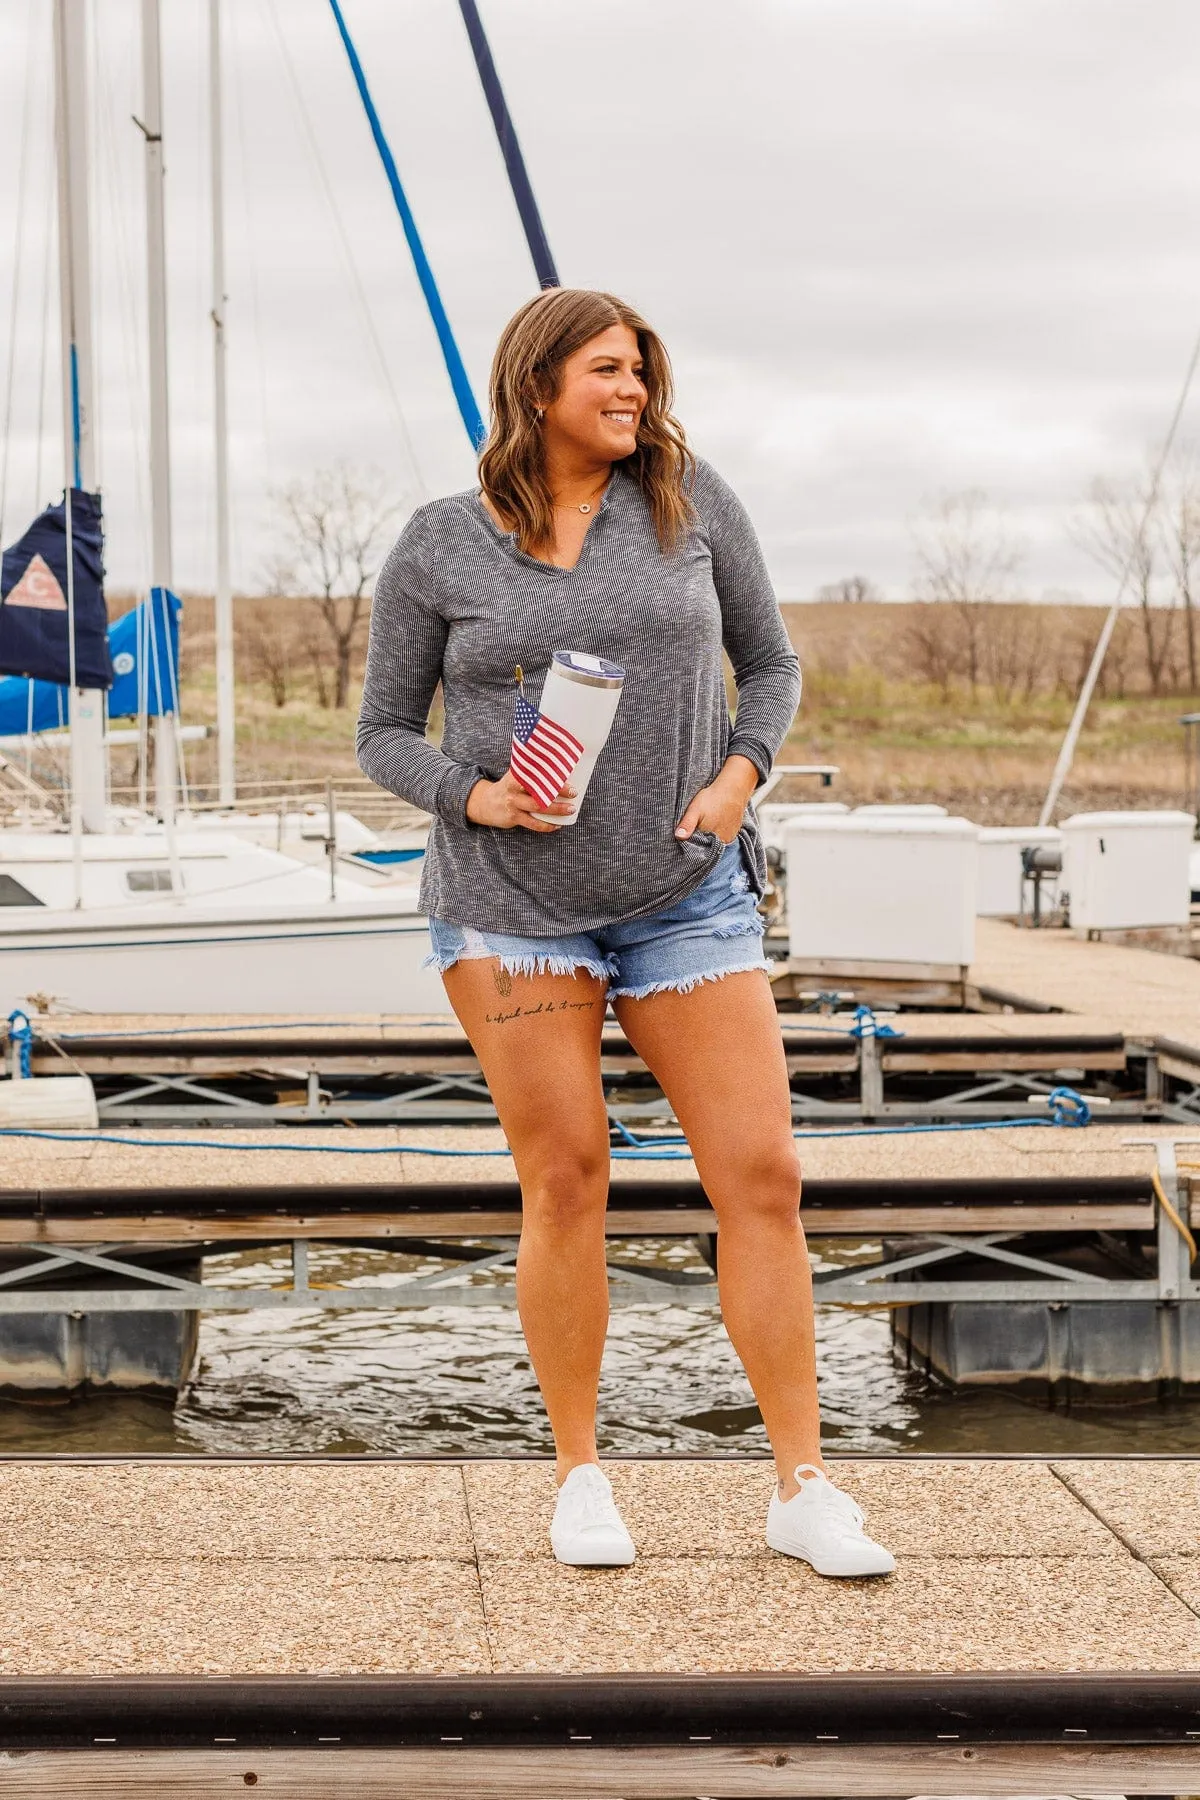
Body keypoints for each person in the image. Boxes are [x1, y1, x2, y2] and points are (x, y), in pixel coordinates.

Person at [357, 288, 894, 1579]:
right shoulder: (441, 545)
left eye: (643, 373)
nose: (635, 392)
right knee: (569, 1181)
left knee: (762, 1176)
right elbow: (383, 732)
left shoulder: (691, 504)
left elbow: (769, 664)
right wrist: (473, 795)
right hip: (511, 910)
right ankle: (581, 1474)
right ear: (535, 384)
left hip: (687, 896)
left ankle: (802, 1485)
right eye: (608, 371)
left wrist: (738, 779)